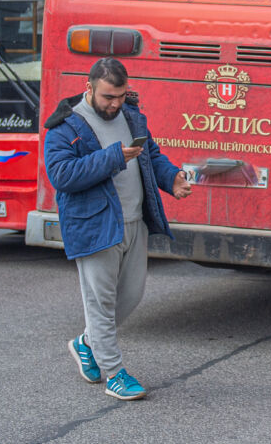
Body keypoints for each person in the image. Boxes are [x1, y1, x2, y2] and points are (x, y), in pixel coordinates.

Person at [43, 57, 193, 400]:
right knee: (100, 302)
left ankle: (86, 342)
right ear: (89, 88)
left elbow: (150, 155)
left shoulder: (130, 115)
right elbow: (62, 176)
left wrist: (172, 178)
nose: (114, 103)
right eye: (108, 97)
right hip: (94, 225)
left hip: (134, 220)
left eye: (120, 96)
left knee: (130, 297)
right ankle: (114, 373)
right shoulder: (66, 127)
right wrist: (113, 158)